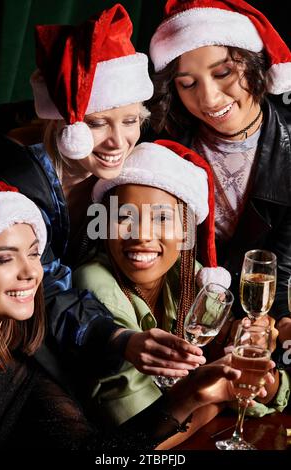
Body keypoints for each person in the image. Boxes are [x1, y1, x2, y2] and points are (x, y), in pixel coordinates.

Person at [0, 3, 199, 384]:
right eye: (97, 123)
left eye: (131, 120)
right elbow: (44, 286)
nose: (118, 141)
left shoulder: (130, 170)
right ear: (63, 122)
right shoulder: (18, 179)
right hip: (20, 339)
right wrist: (117, 338)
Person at [0, 179, 270, 450]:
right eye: (4, 258)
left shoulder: (20, 365)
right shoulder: (94, 281)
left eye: (33, 254)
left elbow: (101, 454)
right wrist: (214, 399)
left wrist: (196, 392)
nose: (31, 273)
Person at [73, 140, 284, 444]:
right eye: (124, 217)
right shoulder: (94, 282)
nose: (142, 235)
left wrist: (257, 364)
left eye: (162, 218)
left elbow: (239, 364)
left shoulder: (184, 271)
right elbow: (139, 437)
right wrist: (216, 399)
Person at [148, 0, 291, 351]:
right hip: (173, 317)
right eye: (187, 83)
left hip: (254, 323)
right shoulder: (159, 144)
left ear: (254, 64)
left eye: (223, 73)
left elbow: (283, 275)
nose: (209, 98)